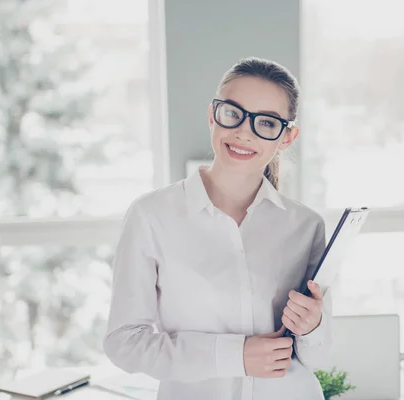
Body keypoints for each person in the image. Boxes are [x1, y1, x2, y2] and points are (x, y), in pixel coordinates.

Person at [103, 56, 332, 400]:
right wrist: (234, 356)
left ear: (287, 137)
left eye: (266, 123)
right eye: (232, 113)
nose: (244, 132)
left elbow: (320, 357)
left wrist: (312, 327)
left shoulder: (306, 225)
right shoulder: (152, 216)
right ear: (213, 115)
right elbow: (125, 343)